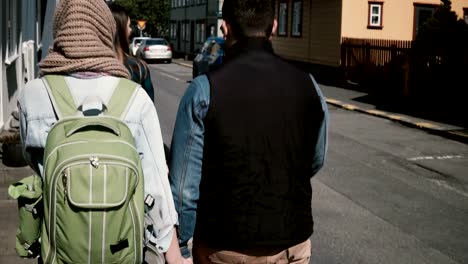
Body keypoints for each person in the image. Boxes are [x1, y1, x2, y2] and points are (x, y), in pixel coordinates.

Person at [17, 0, 190, 263]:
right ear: (105, 32)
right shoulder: (135, 98)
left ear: (60, 31)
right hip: (121, 251)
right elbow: (156, 186)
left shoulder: (33, 95)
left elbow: (34, 163)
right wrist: (175, 257)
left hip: (60, 250)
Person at [169, 0, 328, 263]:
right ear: (274, 27)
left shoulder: (204, 90)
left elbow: (185, 187)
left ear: (225, 28)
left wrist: (183, 242)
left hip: (225, 246)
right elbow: (316, 158)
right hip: (292, 242)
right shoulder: (309, 85)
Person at [110, 4, 155, 102]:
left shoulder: (90, 67)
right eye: (128, 26)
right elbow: (149, 107)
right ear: (120, 30)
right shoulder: (137, 68)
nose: (130, 30)